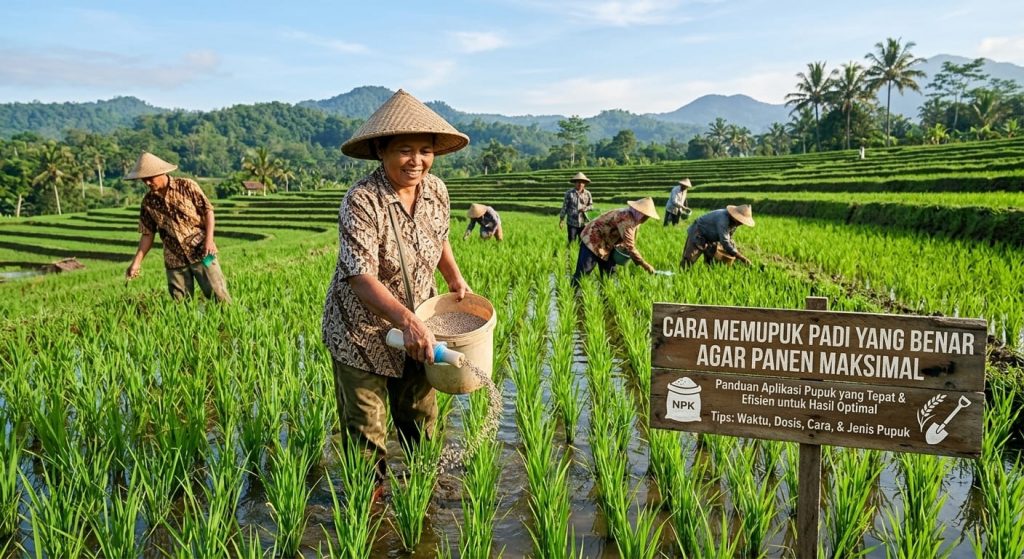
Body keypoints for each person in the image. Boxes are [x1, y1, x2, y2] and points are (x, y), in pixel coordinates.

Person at [321, 89, 472, 495]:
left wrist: (455, 278)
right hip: (360, 331)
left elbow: (439, 238)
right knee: (366, 429)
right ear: (381, 151)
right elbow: (359, 276)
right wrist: (406, 321)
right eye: (405, 150)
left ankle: (423, 499)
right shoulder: (362, 201)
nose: (417, 160)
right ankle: (369, 510)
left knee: (420, 418)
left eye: (425, 150)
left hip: (418, 322)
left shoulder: (437, 190)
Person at [124, 152, 231, 302]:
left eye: (150, 179)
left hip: (202, 251)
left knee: (219, 296)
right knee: (180, 305)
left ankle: (227, 324)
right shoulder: (148, 202)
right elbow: (147, 234)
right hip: (174, 259)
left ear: (161, 172)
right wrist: (136, 262)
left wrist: (209, 240)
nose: (147, 183)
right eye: (144, 180)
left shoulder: (187, 186)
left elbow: (208, 211)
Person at [572, 197, 659, 285]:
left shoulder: (636, 219)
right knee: (583, 273)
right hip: (592, 239)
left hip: (608, 244)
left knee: (609, 275)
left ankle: (607, 295)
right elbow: (630, 246)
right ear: (640, 212)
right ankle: (573, 294)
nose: (646, 218)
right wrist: (645, 265)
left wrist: (621, 244)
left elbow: (630, 239)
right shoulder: (626, 218)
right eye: (646, 215)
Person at [680, 204, 755, 267]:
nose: (741, 223)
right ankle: (680, 276)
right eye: (741, 221)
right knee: (689, 260)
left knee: (711, 261)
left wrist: (734, 250)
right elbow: (725, 242)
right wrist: (741, 257)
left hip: (711, 238)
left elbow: (729, 238)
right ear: (736, 216)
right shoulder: (723, 219)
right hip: (699, 234)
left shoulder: (734, 223)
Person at [558, 171, 593, 244]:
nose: (580, 184)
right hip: (572, 222)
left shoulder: (588, 194)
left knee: (582, 242)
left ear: (584, 184)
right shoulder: (569, 193)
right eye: (578, 182)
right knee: (571, 241)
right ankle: (570, 254)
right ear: (575, 183)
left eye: (582, 182)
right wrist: (561, 220)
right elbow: (564, 207)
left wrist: (585, 208)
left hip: (584, 223)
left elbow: (591, 206)